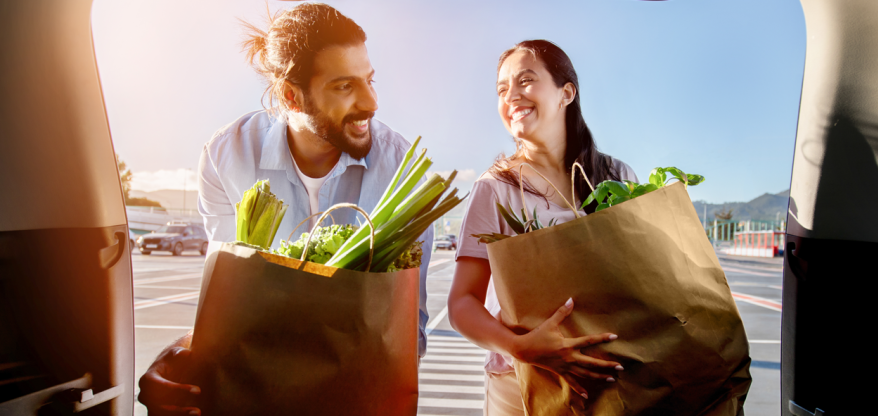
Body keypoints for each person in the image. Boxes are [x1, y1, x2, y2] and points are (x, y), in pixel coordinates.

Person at [137, 4, 433, 415]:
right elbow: (226, 304)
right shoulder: (228, 156)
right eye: (345, 86)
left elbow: (407, 329)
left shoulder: (401, 169)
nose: (372, 102)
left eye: (370, 79)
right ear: (291, 96)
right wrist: (179, 357)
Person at [448, 40, 639, 415]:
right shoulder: (495, 188)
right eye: (502, 88)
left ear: (566, 93)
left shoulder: (617, 177)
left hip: (607, 377)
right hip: (520, 385)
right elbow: (461, 304)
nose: (512, 95)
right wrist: (518, 347)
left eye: (526, 81)